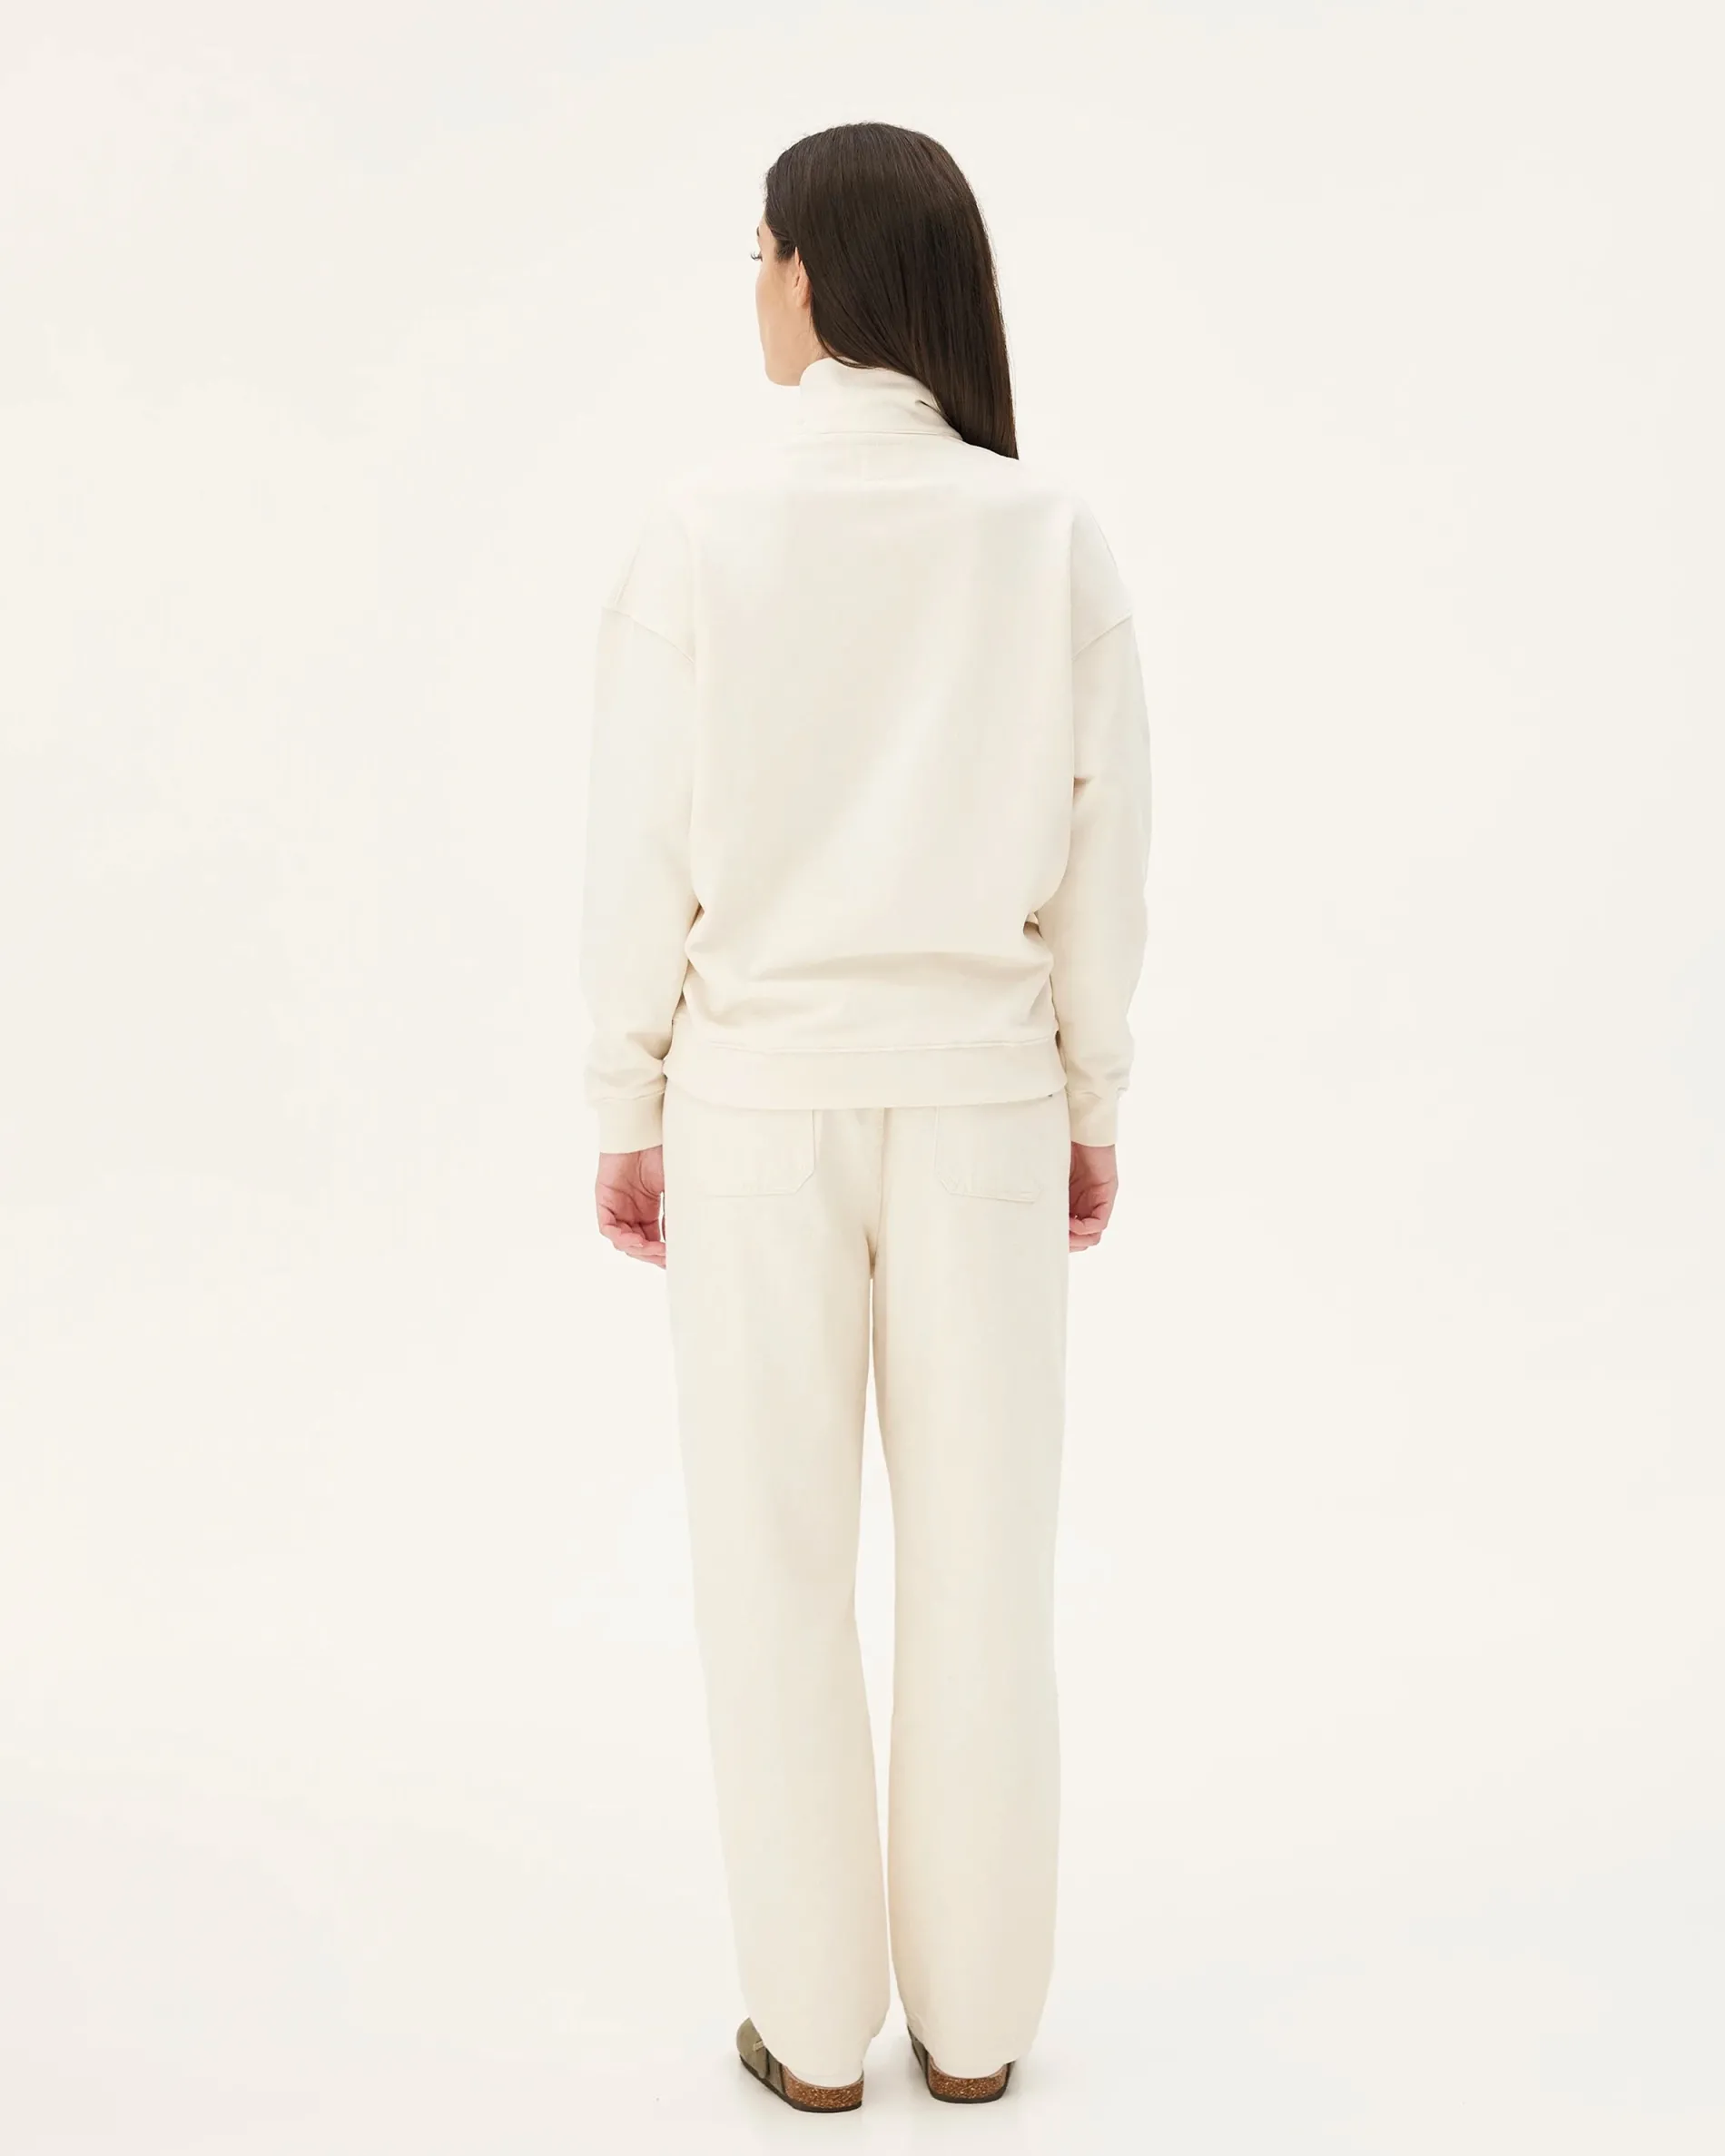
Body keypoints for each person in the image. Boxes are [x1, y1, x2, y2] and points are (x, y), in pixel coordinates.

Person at [577, 121, 1152, 2114]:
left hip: (755, 1106)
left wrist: (624, 1096)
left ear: (814, 272)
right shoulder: (1045, 531)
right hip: (986, 1100)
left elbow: (637, 851)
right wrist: (1088, 1093)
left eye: (759, 252)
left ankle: (812, 2033)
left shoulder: (700, 532)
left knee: (774, 1571)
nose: (751, 288)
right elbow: (1104, 854)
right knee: (986, 1575)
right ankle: (977, 2031)